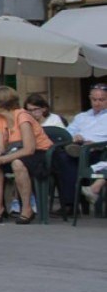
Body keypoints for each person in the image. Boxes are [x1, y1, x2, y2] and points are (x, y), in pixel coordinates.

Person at [0, 85, 54, 224]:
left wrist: (3, 158)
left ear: (2, 104)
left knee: (17, 163)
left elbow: (29, 149)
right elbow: (1, 145)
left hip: (41, 153)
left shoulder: (22, 117)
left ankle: (27, 209)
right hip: (17, 151)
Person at [53, 84, 107, 214]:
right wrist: (74, 137)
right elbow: (67, 133)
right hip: (80, 148)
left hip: (100, 151)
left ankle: (73, 202)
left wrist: (96, 143)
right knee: (63, 158)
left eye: (101, 100)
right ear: (90, 99)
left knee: (77, 156)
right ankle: (70, 204)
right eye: (94, 100)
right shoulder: (82, 117)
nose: (97, 103)